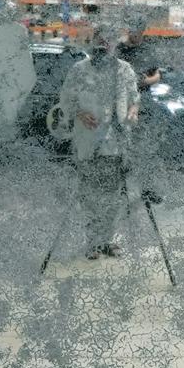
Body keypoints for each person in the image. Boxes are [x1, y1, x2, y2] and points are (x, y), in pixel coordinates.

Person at [49, 19, 140, 256]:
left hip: (117, 144)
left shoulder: (125, 70)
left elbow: (134, 98)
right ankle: (92, 242)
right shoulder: (79, 70)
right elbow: (65, 100)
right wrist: (79, 113)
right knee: (90, 195)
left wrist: (132, 111)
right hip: (88, 142)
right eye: (99, 41)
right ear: (93, 44)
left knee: (113, 196)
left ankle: (107, 240)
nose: (104, 45)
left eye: (108, 41)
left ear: (114, 45)